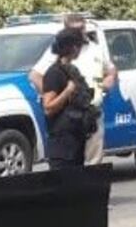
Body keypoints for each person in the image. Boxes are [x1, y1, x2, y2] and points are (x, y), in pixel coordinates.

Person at [30, 14, 117, 166]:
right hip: (69, 118)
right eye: (75, 30)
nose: (80, 32)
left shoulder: (95, 48)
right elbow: (36, 76)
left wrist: (105, 83)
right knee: (69, 164)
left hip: (91, 112)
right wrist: (60, 96)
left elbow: (110, 71)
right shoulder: (56, 59)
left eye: (82, 28)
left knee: (92, 163)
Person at [41, 28, 94, 170]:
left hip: (76, 140)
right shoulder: (54, 73)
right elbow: (48, 108)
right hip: (61, 145)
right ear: (74, 47)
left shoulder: (72, 70)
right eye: (79, 46)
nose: (80, 50)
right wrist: (67, 91)